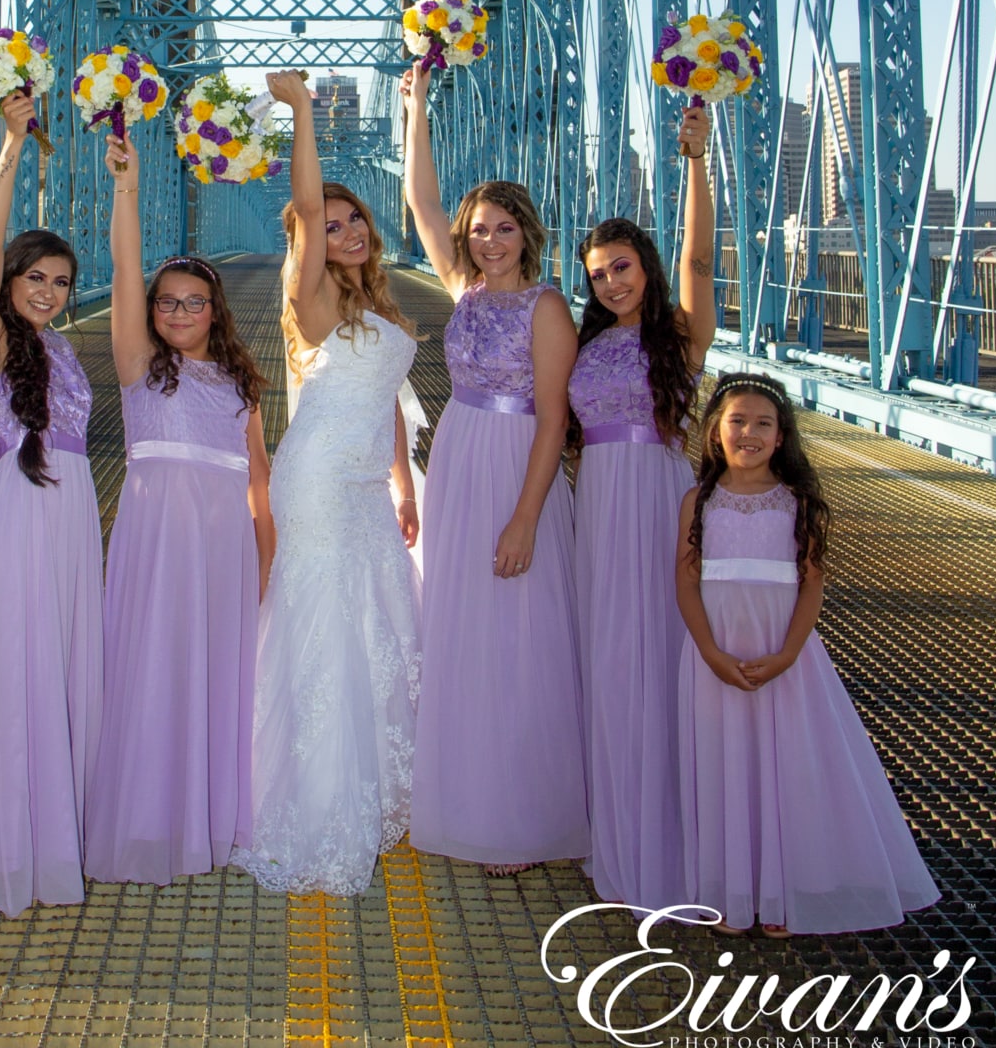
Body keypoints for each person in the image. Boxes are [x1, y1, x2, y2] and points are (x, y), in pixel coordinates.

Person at [233, 71, 421, 897]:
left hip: (365, 488)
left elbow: (383, 407)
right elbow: (306, 210)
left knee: (374, 628)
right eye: (329, 223)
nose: (341, 229)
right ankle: (314, 798)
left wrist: (403, 483)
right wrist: (300, 110)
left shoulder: (378, 304)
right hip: (313, 483)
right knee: (321, 630)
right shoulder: (306, 297)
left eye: (354, 220)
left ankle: (375, 787)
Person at [400, 64, 587, 876]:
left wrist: (524, 516)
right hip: (459, 456)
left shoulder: (547, 306)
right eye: (479, 229)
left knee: (520, 639)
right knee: (463, 630)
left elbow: (553, 419)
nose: (485, 239)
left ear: (527, 235)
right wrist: (416, 110)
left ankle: (522, 815)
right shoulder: (464, 291)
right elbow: (421, 204)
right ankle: (467, 794)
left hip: (515, 468)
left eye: (501, 228)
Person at [676, 374, 939, 935]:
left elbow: (811, 584)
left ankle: (785, 894)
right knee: (726, 768)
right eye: (736, 421)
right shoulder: (696, 501)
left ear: (781, 436)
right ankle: (735, 891)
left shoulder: (798, 503)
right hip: (716, 655)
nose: (748, 432)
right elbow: (686, 582)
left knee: (786, 768)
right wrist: (708, 651)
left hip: (781, 656)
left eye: (762, 424)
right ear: (715, 432)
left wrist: (790, 653)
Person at [84, 131, 273, 886]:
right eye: (169, 303)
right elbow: (126, 270)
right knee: (152, 668)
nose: (178, 311)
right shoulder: (138, 366)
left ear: (214, 310)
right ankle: (146, 819)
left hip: (224, 546)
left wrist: (266, 566)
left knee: (212, 677)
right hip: (157, 540)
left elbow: (259, 484)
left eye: (194, 302)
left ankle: (206, 818)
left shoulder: (241, 384)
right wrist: (126, 186)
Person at [0, 90, 102, 916]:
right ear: (12, 282)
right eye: (35, 278)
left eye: (61, 282)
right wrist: (10, 145)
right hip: (18, 518)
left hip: (74, 521)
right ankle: (12, 845)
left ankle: (53, 836)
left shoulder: (63, 347)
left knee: (62, 670)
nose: (47, 291)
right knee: (20, 675)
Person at [566, 99, 715, 912]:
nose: (609, 281)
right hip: (598, 515)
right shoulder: (584, 344)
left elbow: (699, 261)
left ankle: (674, 835)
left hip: (660, 509)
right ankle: (615, 829)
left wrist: (694, 162)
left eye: (620, 266)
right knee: (609, 664)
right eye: (595, 273)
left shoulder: (680, 337)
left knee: (662, 662)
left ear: (644, 269)